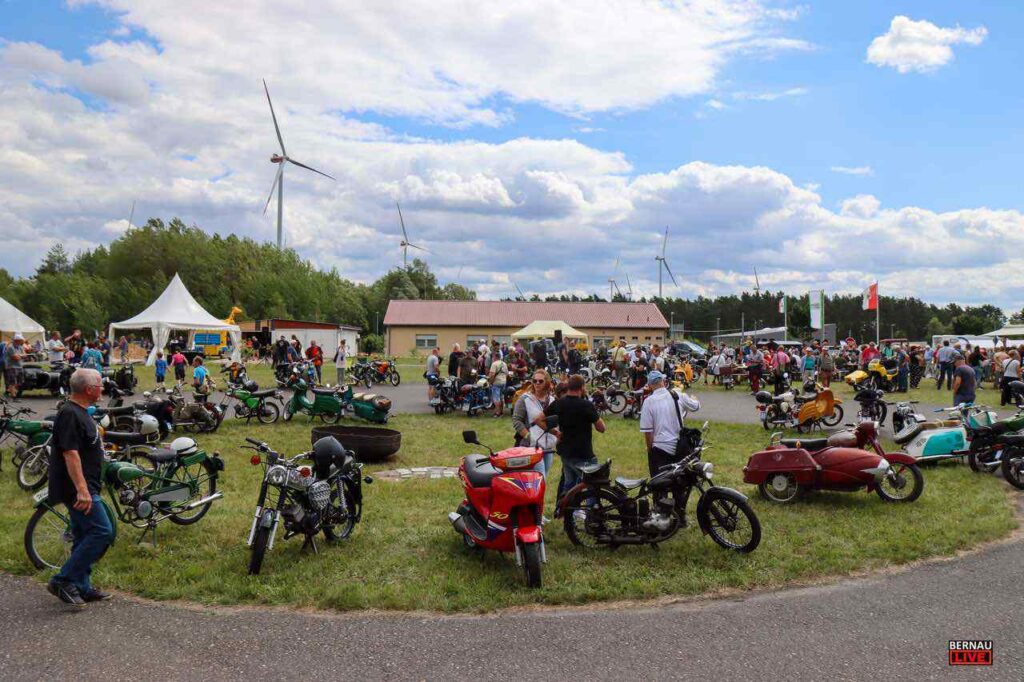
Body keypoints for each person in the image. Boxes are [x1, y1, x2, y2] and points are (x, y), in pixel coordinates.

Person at [46, 368, 114, 607]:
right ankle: (62, 580)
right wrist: (83, 490)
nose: (102, 388)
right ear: (89, 389)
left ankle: (81, 587)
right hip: (77, 489)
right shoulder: (69, 414)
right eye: (99, 385)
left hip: (87, 485)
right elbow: (70, 453)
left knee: (84, 534)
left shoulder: (81, 412)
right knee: (102, 531)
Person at [541, 374, 606, 502]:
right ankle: (592, 516)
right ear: (582, 387)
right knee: (593, 484)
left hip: (565, 451)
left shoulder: (559, 403)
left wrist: (555, 432)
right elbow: (601, 428)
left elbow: (538, 419)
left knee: (569, 484)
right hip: (583, 453)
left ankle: (567, 515)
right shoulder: (586, 405)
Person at [639, 370, 701, 477]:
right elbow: (696, 406)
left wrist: (650, 450)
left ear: (649, 385)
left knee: (660, 484)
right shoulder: (677, 395)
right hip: (680, 446)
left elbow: (648, 432)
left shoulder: (648, 402)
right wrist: (694, 398)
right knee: (679, 483)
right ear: (663, 381)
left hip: (660, 448)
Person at [512, 369, 557, 475]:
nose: (537, 383)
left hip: (548, 446)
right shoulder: (525, 399)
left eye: (540, 381)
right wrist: (528, 436)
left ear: (547, 382)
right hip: (531, 447)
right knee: (540, 476)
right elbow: (516, 420)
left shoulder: (551, 400)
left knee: (543, 476)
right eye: (534, 380)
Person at [4, 333, 28, 398]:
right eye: (21, 340)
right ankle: (14, 397)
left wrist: (20, 355)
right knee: (13, 382)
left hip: (19, 366)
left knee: (20, 382)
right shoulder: (10, 347)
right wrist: (21, 355)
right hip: (12, 367)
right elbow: (15, 358)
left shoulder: (20, 347)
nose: (23, 341)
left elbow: (25, 355)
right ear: (17, 340)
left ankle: (9, 390)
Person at [487, 351, 509, 417]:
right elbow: (507, 374)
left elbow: (492, 374)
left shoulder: (494, 364)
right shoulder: (504, 364)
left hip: (496, 382)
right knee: (501, 397)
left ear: (495, 357)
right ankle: (501, 412)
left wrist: (490, 382)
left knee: (496, 398)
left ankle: (497, 413)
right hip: (503, 382)